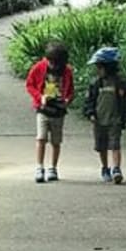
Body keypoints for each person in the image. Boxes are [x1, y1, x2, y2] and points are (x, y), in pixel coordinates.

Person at [83, 46, 126, 184]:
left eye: (100, 68)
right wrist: (90, 113)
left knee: (115, 144)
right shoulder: (96, 84)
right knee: (102, 146)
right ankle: (105, 167)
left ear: (109, 67)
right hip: (99, 120)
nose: (98, 71)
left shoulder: (120, 84)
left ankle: (116, 168)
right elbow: (89, 101)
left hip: (115, 120)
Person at [25, 41, 74, 183]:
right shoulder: (39, 67)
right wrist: (40, 97)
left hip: (59, 111)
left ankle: (53, 167)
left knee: (56, 141)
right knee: (41, 138)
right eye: (52, 63)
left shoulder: (67, 71)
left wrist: (67, 101)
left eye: (57, 64)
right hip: (43, 109)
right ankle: (39, 167)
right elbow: (30, 84)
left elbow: (71, 90)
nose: (54, 66)